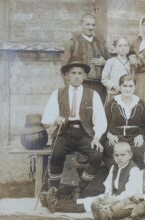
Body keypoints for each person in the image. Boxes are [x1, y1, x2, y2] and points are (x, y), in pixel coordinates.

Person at [41, 60, 107, 210]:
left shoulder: (93, 94)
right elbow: (46, 119)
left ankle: (79, 188)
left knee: (97, 155)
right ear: (67, 77)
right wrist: (55, 119)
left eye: (80, 73)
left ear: (84, 76)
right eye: (73, 73)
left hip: (85, 133)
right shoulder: (58, 93)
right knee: (56, 153)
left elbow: (101, 119)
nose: (77, 76)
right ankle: (53, 191)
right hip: (64, 132)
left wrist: (97, 137)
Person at [98, 148, 145, 220]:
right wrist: (137, 195)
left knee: (139, 209)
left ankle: (134, 216)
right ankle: (111, 214)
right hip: (141, 199)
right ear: (144, 161)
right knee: (125, 203)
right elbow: (137, 187)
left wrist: (143, 196)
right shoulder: (142, 172)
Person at [61, 13, 110, 103]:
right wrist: (69, 86)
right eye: (87, 24)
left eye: (93, 25)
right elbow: (64, 65)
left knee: (97, 111)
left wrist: (105, 62)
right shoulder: (74, 42)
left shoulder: (101, 43)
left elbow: (112, 63)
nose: (90, 27)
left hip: (100, 86)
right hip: (81, 84)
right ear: (81, 25)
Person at [86, 142, 142, 219]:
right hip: (116, 196)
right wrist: (107, 195)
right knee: (95, 203)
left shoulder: (134, 170)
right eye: (117, 155)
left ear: (130, 155)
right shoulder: (114, 167)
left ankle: (108, 215)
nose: (119, 158)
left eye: (123, 155)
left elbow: (130, 192)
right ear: (113, 156)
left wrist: (114, 199)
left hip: (130, 199)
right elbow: (109, 184)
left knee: (109, 212)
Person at [104, 75, 145, 169]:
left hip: (134, 138)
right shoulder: (112, 103)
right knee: (114, 151)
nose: (127, 89)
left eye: (130, 86)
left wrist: (141, 135)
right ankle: (116, 177)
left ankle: (136, 177)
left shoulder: (140, 103)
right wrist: (109, 135)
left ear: (135, 87)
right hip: (116, 137)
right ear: (120, 86)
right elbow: (103, 123)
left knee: (139, 150)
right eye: (125, 86)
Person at [101, 37, 139, 104]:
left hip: (127, 95)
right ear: (115, 48)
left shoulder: (131, 63)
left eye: (125, 45)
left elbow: (133, 78)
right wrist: (113, 86)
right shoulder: (111, 62)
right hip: (113, 94)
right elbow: (104, 79)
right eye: (120, 46)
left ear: (128, 48)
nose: (123, 48)